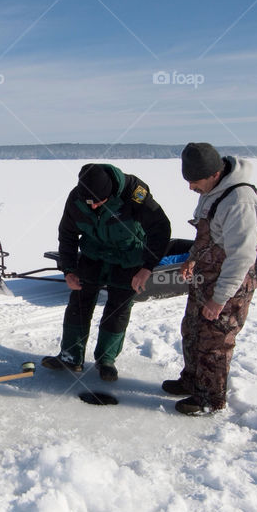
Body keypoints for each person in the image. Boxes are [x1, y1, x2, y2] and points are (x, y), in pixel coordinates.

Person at [163, 143, 257, 415]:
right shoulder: (211, 191)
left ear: (214, 174)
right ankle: (193, 381)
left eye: (194, 181)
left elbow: (242, 256)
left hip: (229, 283)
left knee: (214, 342)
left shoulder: (239, 201)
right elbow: (207, 234)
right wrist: (192, 259)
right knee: (192, 330)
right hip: (205, 276)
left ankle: (210, 399)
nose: (190, 188)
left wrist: (219, 298)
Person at [42, 163, 171, 381]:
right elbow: (67, 234)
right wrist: (69, 270)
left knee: (117, 309)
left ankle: (106, 360)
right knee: (79, 303)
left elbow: (161, 229)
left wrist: (147, 267)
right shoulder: (77, 197)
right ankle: (71, 357)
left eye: (98, 202)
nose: (92, 207)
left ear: (110, 193)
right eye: (88, 202)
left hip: (129, 256)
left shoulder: (135, 194)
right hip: (94, 254)